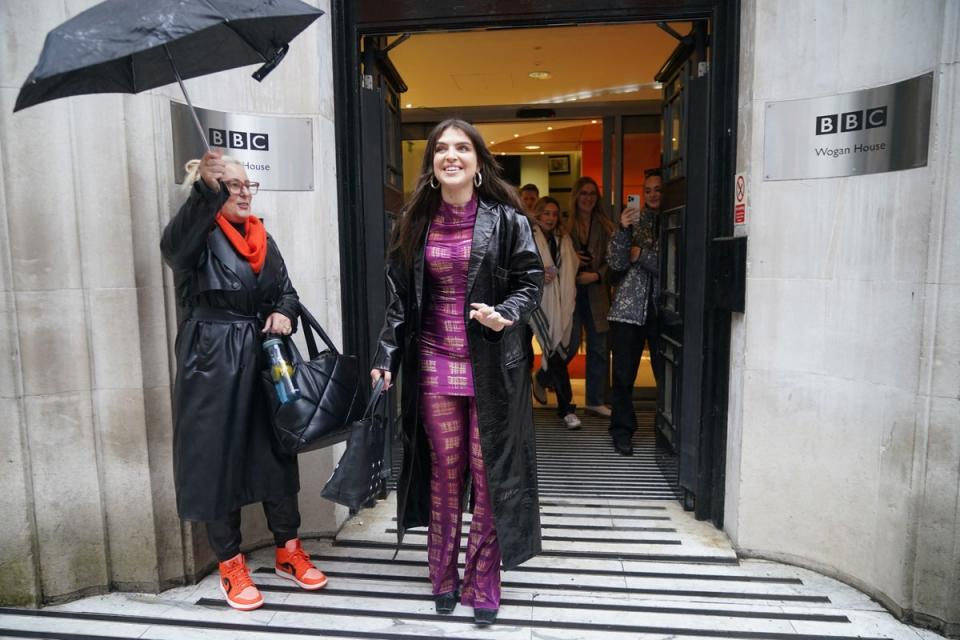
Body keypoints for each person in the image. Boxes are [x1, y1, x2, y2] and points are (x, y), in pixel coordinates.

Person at [370, 119, 544, 627]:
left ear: (477, 160)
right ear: (432, 164)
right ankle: (442, 575)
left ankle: (483, 578)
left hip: (492, 367)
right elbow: (399, 300)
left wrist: (505, 312)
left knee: (487, 473)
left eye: (461, 148)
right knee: (445, 475)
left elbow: (530, 281)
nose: (451, 155)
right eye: (442, 148)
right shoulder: (413, 222)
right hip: (434, 363)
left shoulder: (507, 220)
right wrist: (386, 358)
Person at [160, 151, 327, 611]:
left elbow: (287, 291)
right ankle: (230, 563)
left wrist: (283, 313)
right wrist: (204, 193)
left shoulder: (264, 239)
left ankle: (288, 551)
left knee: (276, 452)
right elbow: (172, 248)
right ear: (211, 190)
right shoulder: (197, 235)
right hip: (211, 362)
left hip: (264, 359)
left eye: (246, 184)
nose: (243, 193)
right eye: (231, 185)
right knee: (218, 459)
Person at [606, 168, 663, 456]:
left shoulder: (676, 221)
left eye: (658, 190)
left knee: (665, 377)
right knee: (624, 377)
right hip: (627, 311)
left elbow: (673, 265)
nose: (653, 195)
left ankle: (665, 432)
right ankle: (622, 431)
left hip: (664, 311)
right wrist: (622, 229)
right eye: (648, 190)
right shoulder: (634, 223)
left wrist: (642, 255)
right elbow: (616, 264)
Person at [529, 196, 581, 430]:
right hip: (529, 305)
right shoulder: (526, 235)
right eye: (546, 213)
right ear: (538, 214)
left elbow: (572, 266)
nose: (550, 218)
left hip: (557, 302)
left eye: (554, 213)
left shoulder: (564, 239)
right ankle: (520, 408)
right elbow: (514, 265)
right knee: (523, 357)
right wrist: (538, 274)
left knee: (558, 355)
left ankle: (566, 409)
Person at [567, 176, 615, 417]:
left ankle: (594, 400)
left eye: (592, 194)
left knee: (598, 347)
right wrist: (572, 258)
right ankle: (543, 377)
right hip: (572, 293)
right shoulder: (565, 225)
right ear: (576, 196)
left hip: (597, 292)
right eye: (583, 193)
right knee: (570, 344)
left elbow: (614, 261)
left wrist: (596, 275)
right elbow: (556, 258)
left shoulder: (606, 226)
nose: (587, 198)